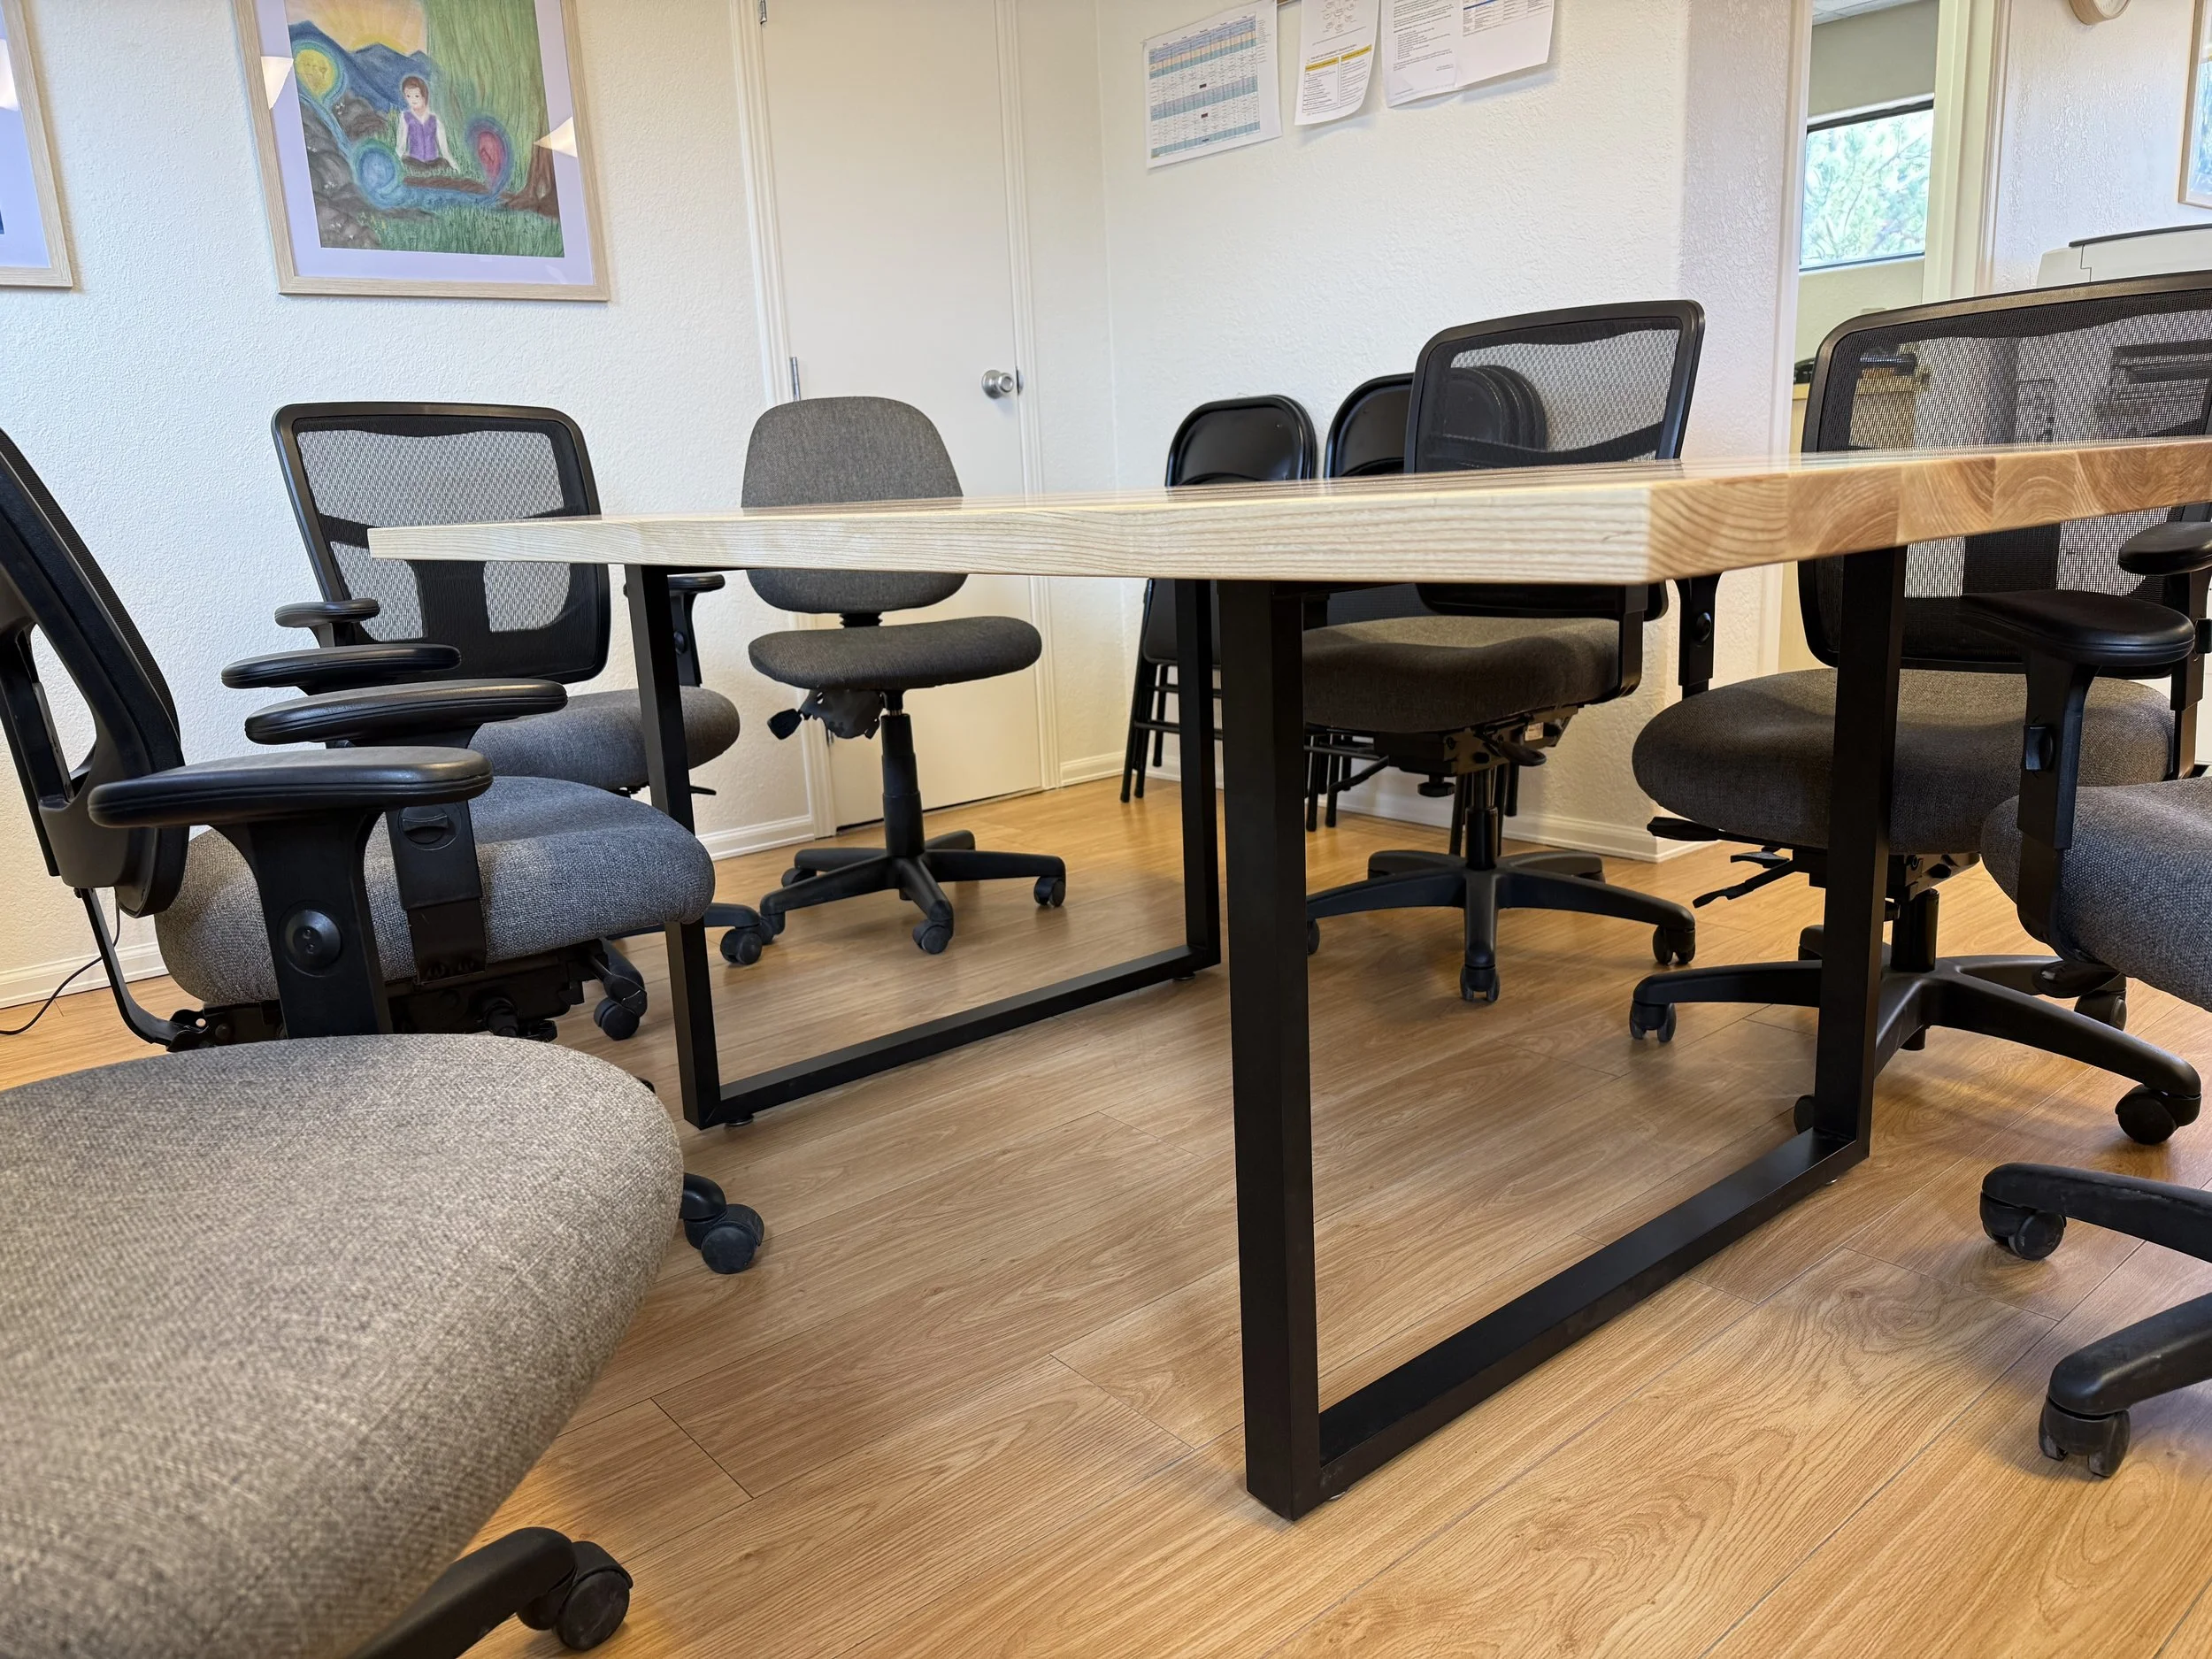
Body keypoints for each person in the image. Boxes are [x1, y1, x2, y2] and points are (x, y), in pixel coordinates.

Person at [396, 74, 457, 171]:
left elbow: (444, 149)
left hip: (433, 162)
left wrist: (454, 165)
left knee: (443, 163)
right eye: (408, 96)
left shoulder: (435, 119)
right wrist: (397, 161)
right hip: (414, 161)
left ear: (424, 96)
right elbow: (401, 145)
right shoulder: (405, 117)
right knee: (406, 160)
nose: (412, 100)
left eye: (416, 96)